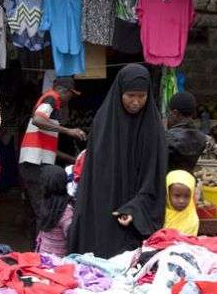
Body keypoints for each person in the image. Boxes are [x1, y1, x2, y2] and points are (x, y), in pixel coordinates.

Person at [69, 64, 167, 258]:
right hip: (103, 206)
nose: (136, 102)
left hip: (135, 216)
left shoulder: (153, 129)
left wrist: (135, 208)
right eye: (130, 95)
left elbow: (154, 176)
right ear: (120, 91)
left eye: (142, 96)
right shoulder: (103, 123)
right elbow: (94, 174)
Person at [19, 77, 86, 241]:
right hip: (33, 165)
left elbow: (49, 149)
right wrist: (68, 131)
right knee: (42, 209)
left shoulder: (51, 105)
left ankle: (37, 247)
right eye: (71, 94)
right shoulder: (51, 98)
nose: (70, 99)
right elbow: (38, 119)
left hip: (33, 163)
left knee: (37, 209)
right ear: (64, 91)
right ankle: (42, 249)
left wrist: (74, 159)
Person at [165, 92, 217, 173]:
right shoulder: (205, 139)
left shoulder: (165, 139)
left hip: (167, 182)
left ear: (174, 113)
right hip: (188, 181)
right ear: (194, 113)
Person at [35, 164, 74, 257]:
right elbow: (72, 237)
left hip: (48, 261)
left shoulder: (49, 206)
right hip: (53, 261)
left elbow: (71, 236)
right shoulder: (64, 209)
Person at [163, 170, 199, 236]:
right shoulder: (159, 215)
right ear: (167, 194)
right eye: (177, 196)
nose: (181, 201)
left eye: (187, 196)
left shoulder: (191, 217)